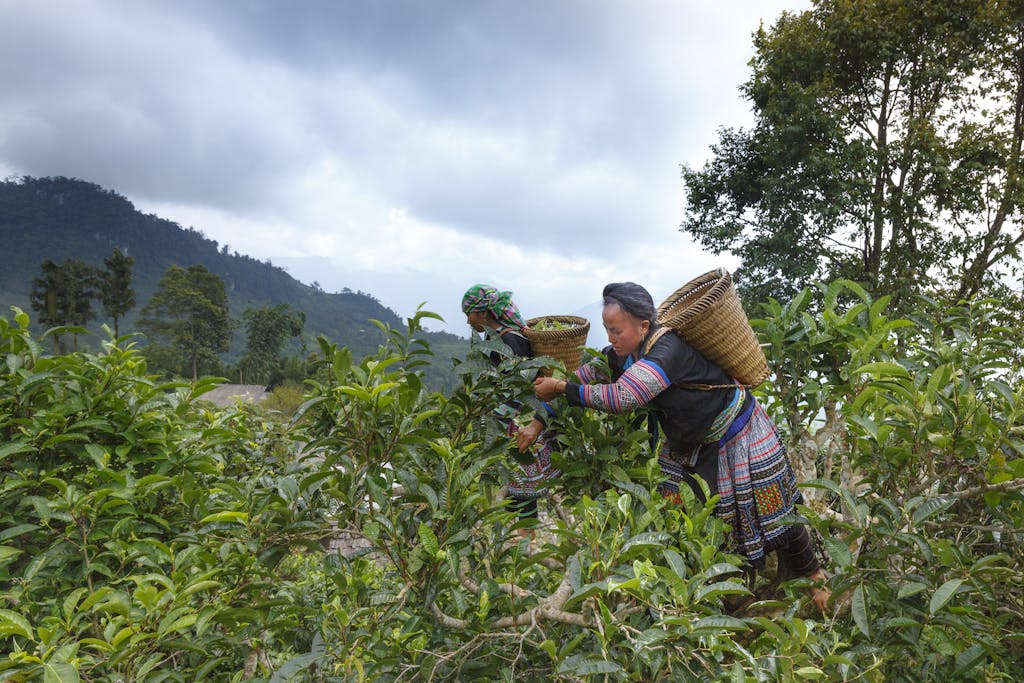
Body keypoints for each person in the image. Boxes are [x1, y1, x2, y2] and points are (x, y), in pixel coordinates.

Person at [531, 282, 830, 611]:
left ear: (643, 326)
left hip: (738, 430)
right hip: (690, 443)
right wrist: (538, 419)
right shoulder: (620, 356)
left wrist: (559, 388)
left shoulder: (667, 350)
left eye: (616, 330)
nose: (611, 337)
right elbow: (581, 378)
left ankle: (816, 581)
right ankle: (714, 599)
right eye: (607, 329)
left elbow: (624, 397)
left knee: (774, 506)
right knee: (689, 516)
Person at [461, 284, 559, 533]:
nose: (467, 320)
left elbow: (517, 385)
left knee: (522, 491)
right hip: (516, 423)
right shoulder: (503, 337)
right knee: (516, 490)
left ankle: (525, 544)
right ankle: (518, 543)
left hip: (520, 425)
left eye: (469, 313)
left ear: (483, 313)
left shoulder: (509, 341)